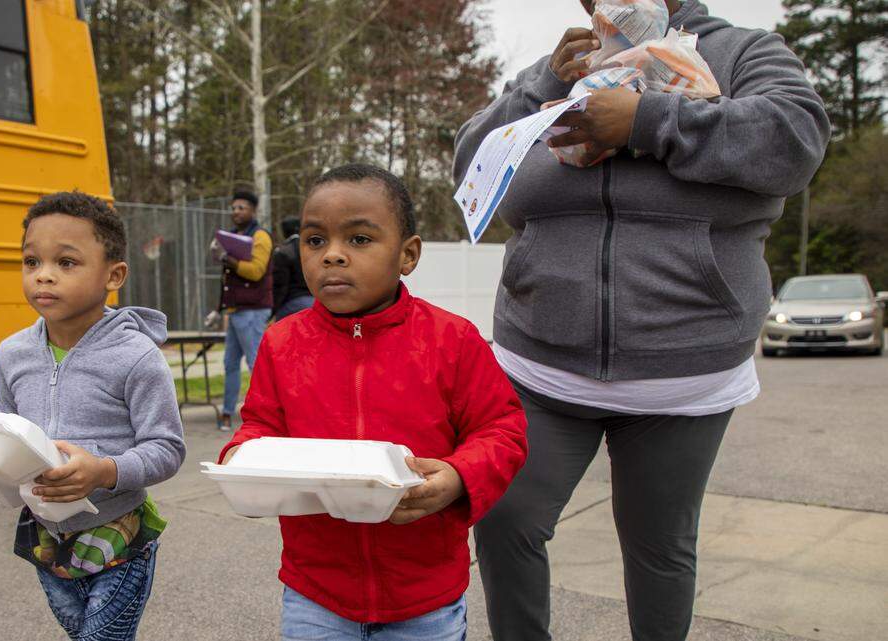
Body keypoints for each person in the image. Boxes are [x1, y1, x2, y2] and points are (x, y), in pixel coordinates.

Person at [452, 2, 830, 641]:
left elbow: (794, 139)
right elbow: (471, 167)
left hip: (683, 374)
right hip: (540, 363)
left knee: (659, 546)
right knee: (505, 517)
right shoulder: (560, 67)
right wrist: (542, 86)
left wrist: (647, 121)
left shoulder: (743, 52)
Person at [218, 164, 529, 640]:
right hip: (315, 591)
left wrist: (458, 476)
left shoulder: (453, 340)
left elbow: (501, 429)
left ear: (408, 254)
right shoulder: (283, 343)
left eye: (359, 239)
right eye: (315, 240)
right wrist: (241, 458)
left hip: (425, 596)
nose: (333, 256)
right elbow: (260, 423)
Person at [0, 191, 186, 641]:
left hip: (119, 535)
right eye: (32, 262)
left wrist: (104, 470)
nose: (44, 276)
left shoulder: (136, 357)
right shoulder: (13, 353)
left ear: (114, 275)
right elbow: (4, 433)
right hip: (45, 536)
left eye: (66, 263)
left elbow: (167, 449)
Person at [214, 190, 274, 431]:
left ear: (253, 210)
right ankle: (228, 412)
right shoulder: (236, 236)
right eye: (234, 207)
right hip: (236, 310)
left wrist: (229, 259)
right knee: (230, 363)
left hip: (253, 310)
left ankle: (265, 416)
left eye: (241, 207)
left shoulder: (260, 236)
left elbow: (256, 271)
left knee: (255, 363)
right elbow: (230, 279)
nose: (236, 212)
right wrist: (218, 309)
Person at [271, 216, 314, 320]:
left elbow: (280, 285)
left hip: (292, 302)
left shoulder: (283, 252)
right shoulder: (313, 248)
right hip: (314, 301)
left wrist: (273, 310)